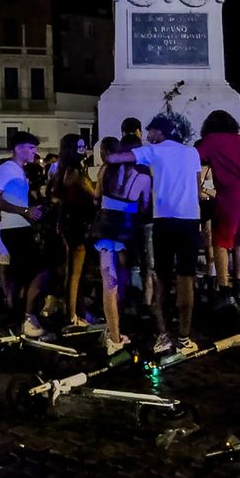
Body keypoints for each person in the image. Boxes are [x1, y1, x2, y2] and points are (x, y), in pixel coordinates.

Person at [104, 112, 204, 354]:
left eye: (150, 131)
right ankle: (184, 337)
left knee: (161, 278)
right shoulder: (192, 152)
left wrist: (109, 153)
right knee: (186, 279)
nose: (147, 136)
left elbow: (115, 158)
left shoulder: (154, 150)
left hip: (163, 221)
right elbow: (197, 184)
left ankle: (162, 335)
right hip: (190, 219)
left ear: (161, 132)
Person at [92, 136, 151, 353]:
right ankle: (121, 325)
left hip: (106, 228)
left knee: (109, 283)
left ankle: (114, 335)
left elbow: (97, 199)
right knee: (124, 277)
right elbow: (144, 206)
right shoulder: (143, 176)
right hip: (128, 230)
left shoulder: (106, 171)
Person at [0, 131, 48, 337]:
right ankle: (29, 318)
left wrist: (31, 212)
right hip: (13, 229)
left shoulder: (19, 170)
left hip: (20, 227)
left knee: (23, 276)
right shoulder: (7, 169)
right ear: (19, 148)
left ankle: (19, 318)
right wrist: (25, 211)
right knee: (41, 271)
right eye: (31, 148)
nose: (35, 152)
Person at [197, 110, 240, 294]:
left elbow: (195, 158)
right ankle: (239, 281)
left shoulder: (211, 140)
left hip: (229, 194)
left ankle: (223, 285)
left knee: (220, 241)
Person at [50, 133, 97, 329]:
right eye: (79, 146)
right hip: (78, 224)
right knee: (75, 272)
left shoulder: (63, 171)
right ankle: (71, 316)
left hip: (71, 223)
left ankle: (77, 313)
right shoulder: (75, 171)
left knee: (76, 271)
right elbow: (93, 194)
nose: (83, 148)